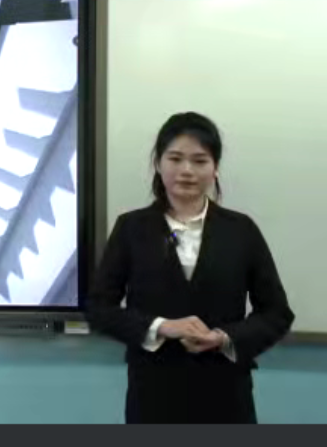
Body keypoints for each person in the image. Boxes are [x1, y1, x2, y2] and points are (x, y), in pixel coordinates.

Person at [87, 112, 295, 424]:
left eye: (200, 161)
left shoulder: (241, 230)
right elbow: (99, 308)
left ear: (215, 168)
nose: (187, 170)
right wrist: (161, 327)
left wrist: (223, 337)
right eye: (175, 158)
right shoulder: (132, 228)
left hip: (225, 394)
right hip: (154, 393)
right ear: (158, 164)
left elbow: (277, 313)